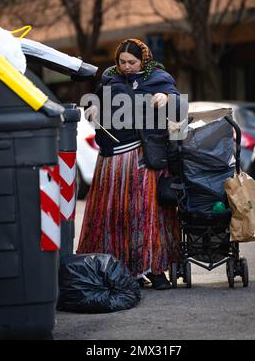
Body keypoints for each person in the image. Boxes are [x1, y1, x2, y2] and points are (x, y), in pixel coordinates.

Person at [77, 38, 188, 289]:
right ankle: (120, 270)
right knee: (115, 216)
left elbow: (178, 102)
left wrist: (166, 98)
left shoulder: (159, 76)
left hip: (143, 155)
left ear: (143, 60)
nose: (126, 67)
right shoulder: (109, 78)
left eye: (132, 62)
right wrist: (92, 110)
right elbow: (92, 103)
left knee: (145, 214)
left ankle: (155, 269)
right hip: (112, 158)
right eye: (122, 62)